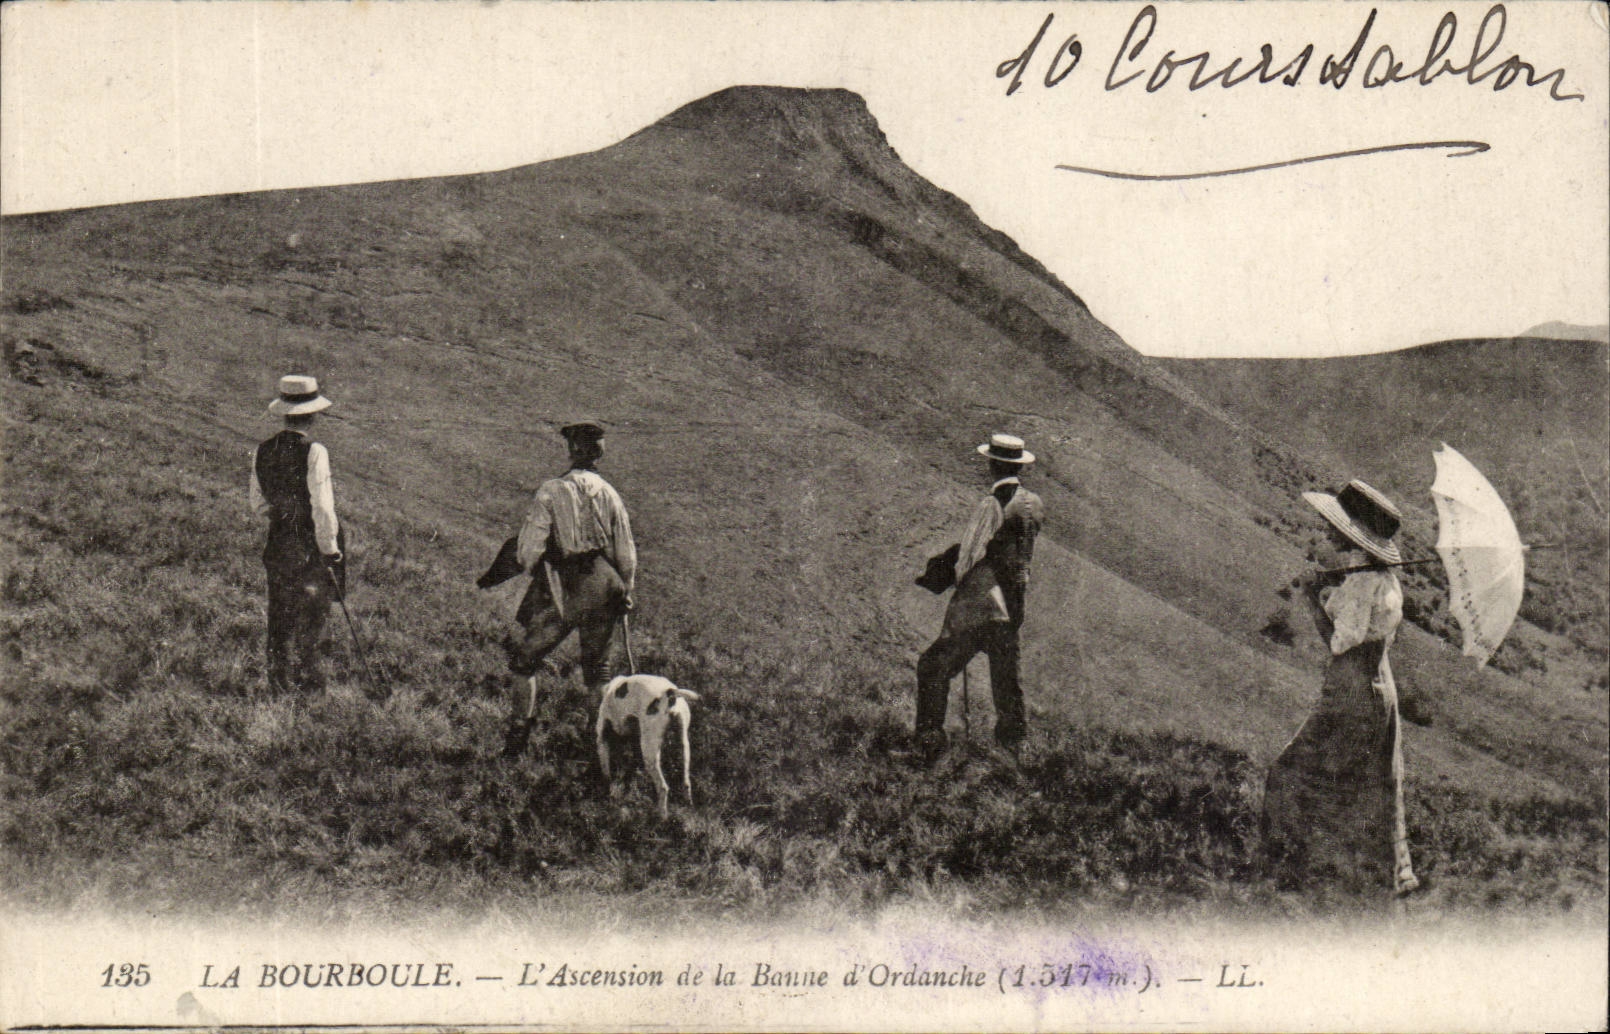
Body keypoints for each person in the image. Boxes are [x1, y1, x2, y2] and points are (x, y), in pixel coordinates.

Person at [1263, 479, 1420, 897]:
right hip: (1376, 689)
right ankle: (1359, 882)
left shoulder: (1363, 582)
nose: (1327, 530)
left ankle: (1290, 874)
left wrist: (1315, 597)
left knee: (1294, 774)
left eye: (1336, 525)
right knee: (1365, 787)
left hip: (1351, 690)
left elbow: (1338, 642)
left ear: (1351, 532)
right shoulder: (1380, 579)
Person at [486, 420, 636, 758]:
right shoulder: (611, 494)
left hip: (565, 582)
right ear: (599, 453)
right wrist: (626, 589)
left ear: (572, 451)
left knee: (525, 659)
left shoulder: (552, 491)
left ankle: (517, 738)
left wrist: (537, 566)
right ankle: (596, 747)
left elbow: (527, 552)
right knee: (597, 670)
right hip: (605, 580)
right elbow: (625, 552)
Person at [914, 433, 1044, 764]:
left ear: (994, 465)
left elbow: (970, 557)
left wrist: (948, 576)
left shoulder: (990, 506)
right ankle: (1015, 751)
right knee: (1007, 682)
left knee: (933, 667)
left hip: (980, 605)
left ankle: (929, 740)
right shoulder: (1033, 506)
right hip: (1012, 605)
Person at [249, 374, 344, 693]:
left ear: (285, 412)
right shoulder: (314, 452)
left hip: (278, 543)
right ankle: (308, 685)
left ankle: (278, 683)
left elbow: (258, 504)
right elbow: (323, 508)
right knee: (312, 616)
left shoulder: (262, 450)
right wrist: (330, 550)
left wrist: (282, 514)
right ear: (312, 414)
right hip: (308, 546)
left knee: (279, 614)